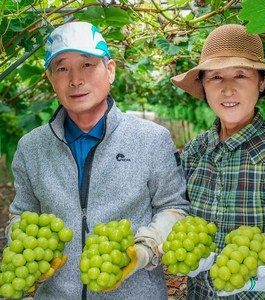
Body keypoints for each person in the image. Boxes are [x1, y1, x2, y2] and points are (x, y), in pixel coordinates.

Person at [6, 21, 190, 300]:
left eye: (87, 65)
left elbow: (173, 208)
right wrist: (23, 246)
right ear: (50, 79)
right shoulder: (31, 148)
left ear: (111, 70)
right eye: (62, 68)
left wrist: (144, 250)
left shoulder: (152, 139)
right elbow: (22, 213)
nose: (75, 79)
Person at [171, 24, 265, 299]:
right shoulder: (196, 150)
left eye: (240, 75)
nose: (227, 89)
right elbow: (181, 217)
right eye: (216, 77)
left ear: (261, 82)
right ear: (203, 86)